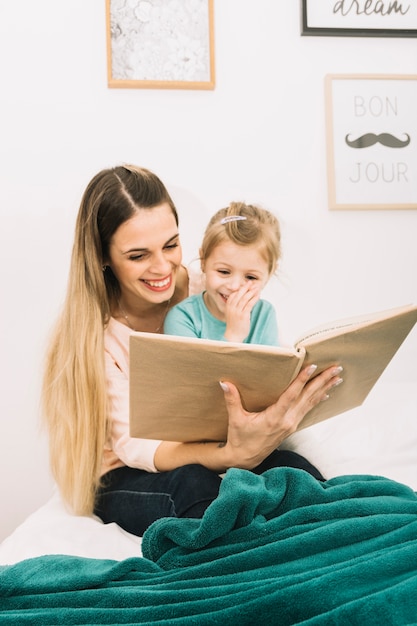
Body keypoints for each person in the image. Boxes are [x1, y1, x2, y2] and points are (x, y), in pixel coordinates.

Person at [42, 164, 344, 537]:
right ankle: (259, 563)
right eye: (138, 256)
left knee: (294, 474)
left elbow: (256, 362)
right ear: (103, 258)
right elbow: (138, 447)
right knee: (198, 488)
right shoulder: (97, 338)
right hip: (131, 470)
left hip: (216, 445)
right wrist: (231, 456)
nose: (162, 267)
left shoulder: (212, 287)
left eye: (171, 245)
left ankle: (329, 542)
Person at [164, 201, 281, 345]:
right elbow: (195, 368)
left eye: (251, 277)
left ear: (269, 274)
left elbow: (269, 367)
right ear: (203, 261)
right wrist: (233, 336)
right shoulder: (183, 317)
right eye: (224, 272)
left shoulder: (264, 314)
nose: (234, 286)